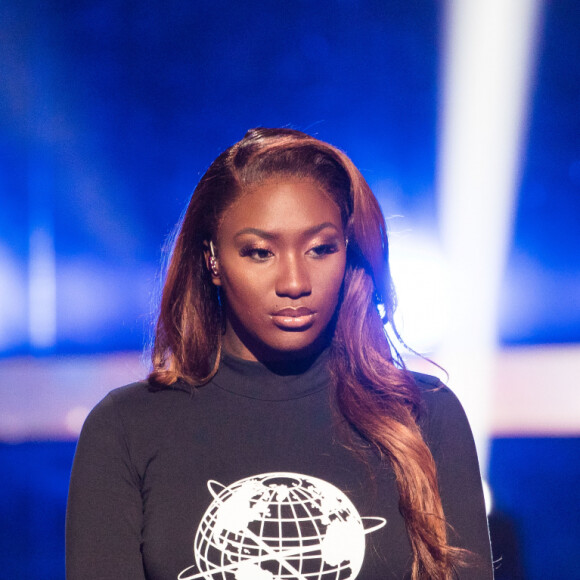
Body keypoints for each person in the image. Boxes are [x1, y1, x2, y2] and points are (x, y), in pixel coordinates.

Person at [66, 128, 494, 580]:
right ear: (212, 259)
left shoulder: (423, 417)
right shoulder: (127, 428)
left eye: (320, 249)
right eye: (260, 252)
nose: (294, 282)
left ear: (348, 252)